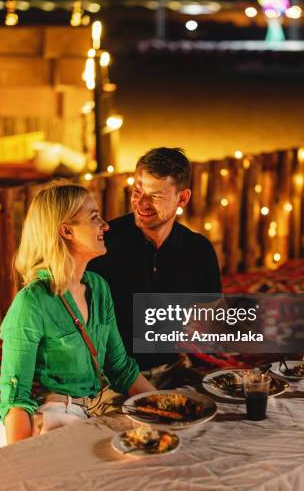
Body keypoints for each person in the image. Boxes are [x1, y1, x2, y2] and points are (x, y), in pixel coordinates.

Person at [0, 182, 154, 447]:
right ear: (66, 231)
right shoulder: (32, 302)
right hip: (47, 422)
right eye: (94, 218)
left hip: (89, 414)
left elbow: (121, 368)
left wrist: (169, 410)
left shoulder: (99, 288)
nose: (105, 225)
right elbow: (16, 398)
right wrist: (20, 461)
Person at [89, 147, 222, 369]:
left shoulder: (199, 250)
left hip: (179, 369)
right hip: (111, 374)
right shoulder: (103, 243)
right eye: (137, 192)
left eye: (156, 196)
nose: (142, 204)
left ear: (183, 198)